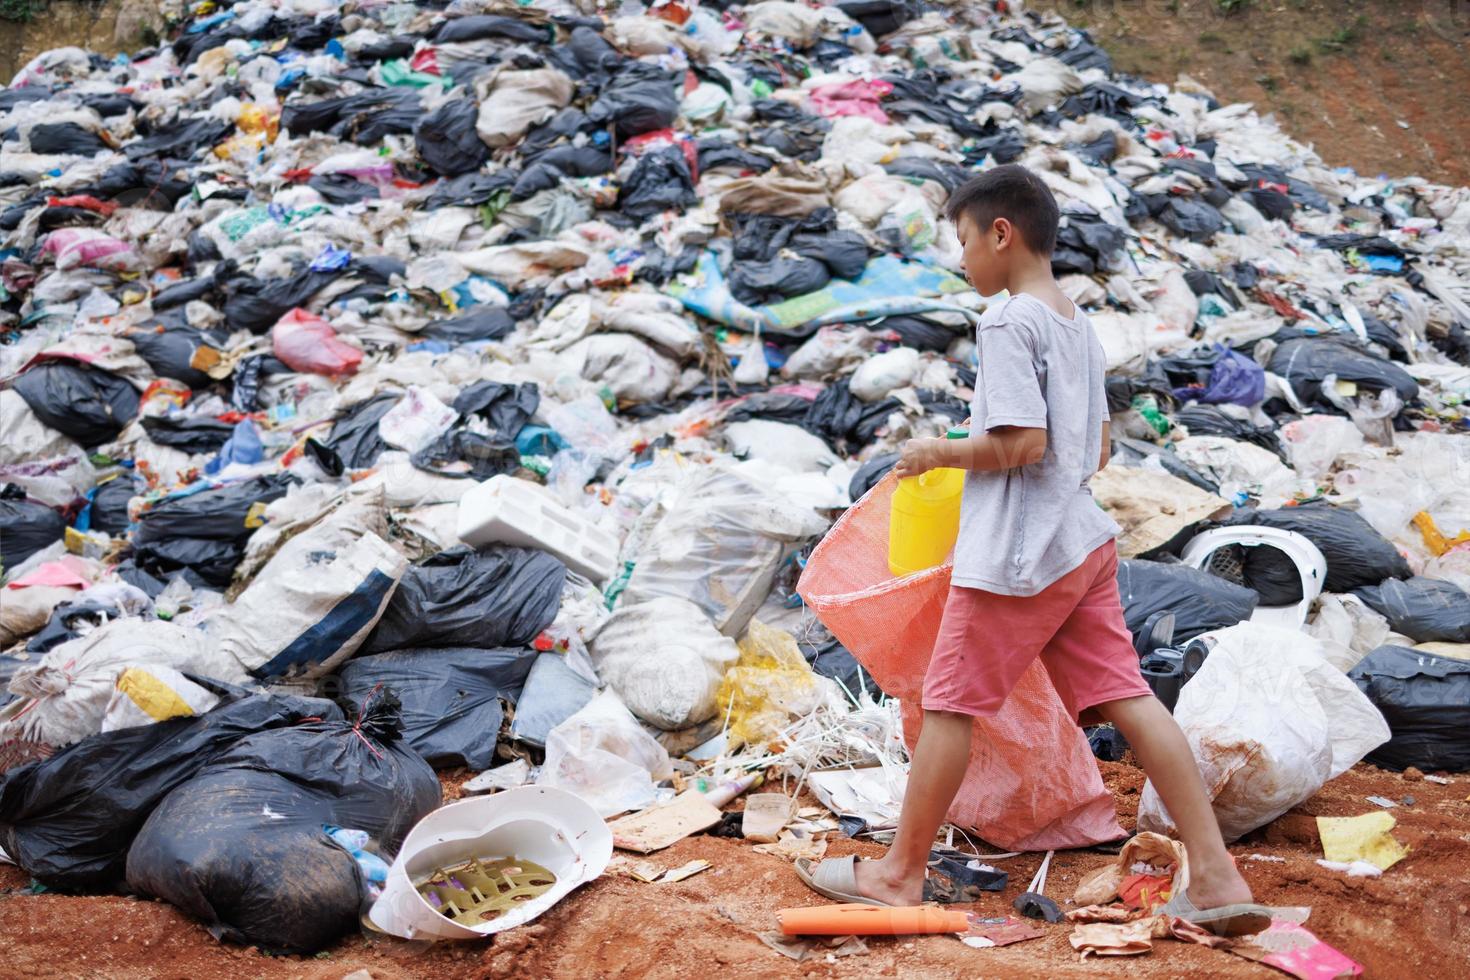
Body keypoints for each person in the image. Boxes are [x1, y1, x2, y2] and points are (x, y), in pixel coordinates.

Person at [795, 164, 1274, 935]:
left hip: (1017, 559)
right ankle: (1215, 876)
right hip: (1078, 543)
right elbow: (1098, 446)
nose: (961, 260)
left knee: (949, 704)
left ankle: (896, 875)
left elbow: (1021, 442)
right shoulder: (1075, 323)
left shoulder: (1010, 321)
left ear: (1001, 233)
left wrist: (936, 453)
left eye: (962, 241)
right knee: (1131, 697)